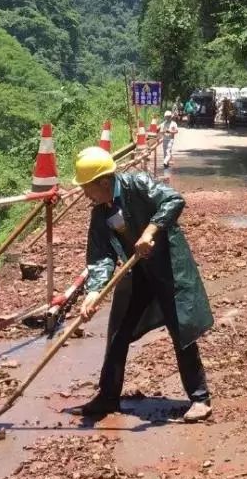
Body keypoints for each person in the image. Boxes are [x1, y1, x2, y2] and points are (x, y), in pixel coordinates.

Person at [74, 146, 213, 422]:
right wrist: (93, 292)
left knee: (180, 329)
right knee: (118, 333)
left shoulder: (137, 184)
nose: (85, 194)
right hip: (136, 273)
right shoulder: (100, 212)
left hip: (167, 267)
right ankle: (108, 397)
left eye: (87, 187)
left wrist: (150, 231)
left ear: (104, 182)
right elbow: (101, 256)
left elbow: (173, 200)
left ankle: (200, 399)